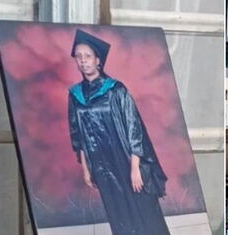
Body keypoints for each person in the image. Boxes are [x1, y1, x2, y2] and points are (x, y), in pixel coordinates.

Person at [68, 29, 169, 235]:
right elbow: (77, 134)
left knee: (142, 210)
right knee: (117, 213)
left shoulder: (116, 90)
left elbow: (134, 128)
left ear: (98, 60)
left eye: (88, 56)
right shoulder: (75, 95)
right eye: (79, 57)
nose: (83, 61)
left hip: (125, 160)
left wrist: (135, 168)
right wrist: (87, 169)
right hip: (102, 167)